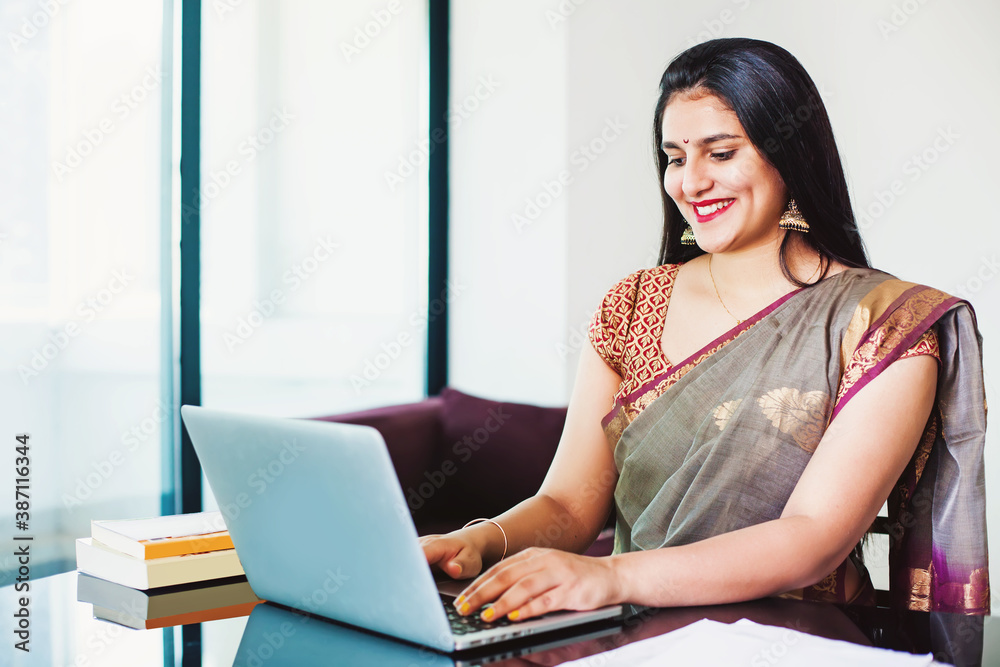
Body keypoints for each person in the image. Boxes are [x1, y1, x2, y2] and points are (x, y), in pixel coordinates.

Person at [420, 37, 989, 623]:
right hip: (639, 637)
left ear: (790, 157)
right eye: (674, 158)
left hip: (800, 638)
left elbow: (812, 537)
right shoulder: (632, 305)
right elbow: (567, 505)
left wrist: (611, 576)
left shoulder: (884, 324)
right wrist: (477, 541)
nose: (690, 183)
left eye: (720, 154)